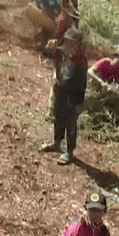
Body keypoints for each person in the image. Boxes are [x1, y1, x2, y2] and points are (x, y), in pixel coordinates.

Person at [43, 25, 88, 165]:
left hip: (73, 97)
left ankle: (69, 153)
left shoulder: (81, 61)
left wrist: (78, 103)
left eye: (73, 44)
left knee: (70, 125)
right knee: (58, 118)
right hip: (61, 92)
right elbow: (47, 54)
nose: (69, 46)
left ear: (79, 46)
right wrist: (49, 48)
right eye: (67, 42)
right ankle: (56, 143)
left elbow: (78, 83)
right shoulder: (62, 53)